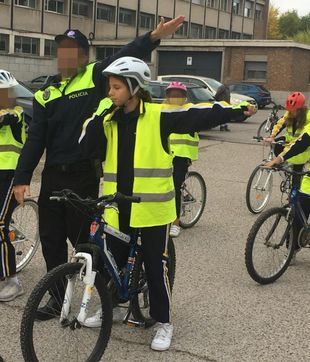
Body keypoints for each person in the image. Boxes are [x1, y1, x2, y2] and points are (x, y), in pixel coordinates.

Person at [12, 16, 184, 319]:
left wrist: (154, 37)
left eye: (73, 50)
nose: (66, 56)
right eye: (61, 50)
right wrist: (22, 178)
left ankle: (106, 294)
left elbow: (124, 55)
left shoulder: (94, 76)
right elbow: (35, 140)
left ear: (82, 55)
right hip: (53, 174)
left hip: (83, 174)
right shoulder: (45, 93)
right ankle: (57, 300)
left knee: (87, 243)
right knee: (51, 240)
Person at [79, 57, 255, 351]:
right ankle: (115, 306)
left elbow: (199, 115)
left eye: (116, 87)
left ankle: (163, 322)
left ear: (134, 88)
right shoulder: (108, 119)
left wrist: (237, 110)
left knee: (154, 265)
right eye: (109, 87)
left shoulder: (159, 117)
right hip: (117, 206)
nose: (110, 92)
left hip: (153, 209)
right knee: (115, 262)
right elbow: (84, 144)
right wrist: (101, 114)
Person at [265, 115, 310, 262]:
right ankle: (292, 250)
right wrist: (278, 159)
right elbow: (300, 143)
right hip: (308, 181)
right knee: (297, 215)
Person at [0, 70, 26, 301]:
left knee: (0, 223)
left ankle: (12, 280)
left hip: (10, 176)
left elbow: (4, 119)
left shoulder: (16, 115)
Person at [164, 82, 199, 237]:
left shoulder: (189, 112)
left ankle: (176, 222)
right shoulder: (163, 111)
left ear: (184, 98)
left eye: (178, 96)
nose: (175, 98)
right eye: (172, 95)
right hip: (165, 155)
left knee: (174, 188)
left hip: (182, 157)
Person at [264, 91, 310, 187]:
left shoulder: (308, 116)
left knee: (296, 173)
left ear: (301, 109)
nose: (291, 112)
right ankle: (284, 165)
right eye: (290, 109)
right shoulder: (289, 113)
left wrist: (278, 159)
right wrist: (272, 136)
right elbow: (280, 124)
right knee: (276, 143)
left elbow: (303, 142)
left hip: (302, 147)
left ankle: (294, 194)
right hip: (290, 140)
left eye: (293, 110)